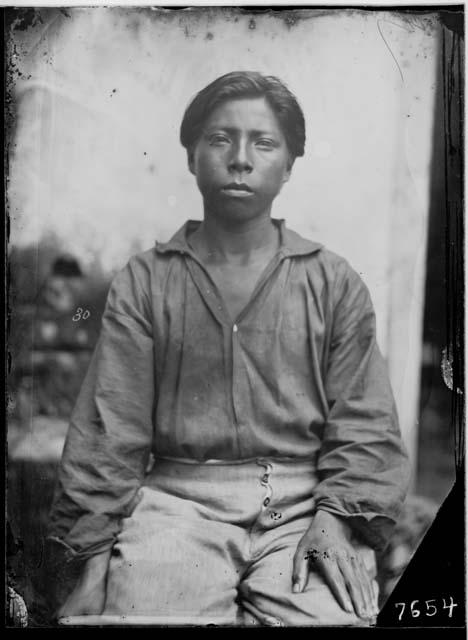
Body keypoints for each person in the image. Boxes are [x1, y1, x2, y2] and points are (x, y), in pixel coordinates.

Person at [47, 71, 410, 626]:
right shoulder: (146, 280)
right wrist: (95, 569)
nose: (240, 158)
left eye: (264, 142)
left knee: (332, 618)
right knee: (145, 616)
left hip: (305, 508)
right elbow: (108, 429)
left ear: (289, 164)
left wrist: (335, 521)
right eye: (219, 139)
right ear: (191, 156)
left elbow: (367, 424)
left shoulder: (333, 282)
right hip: (177, 503)